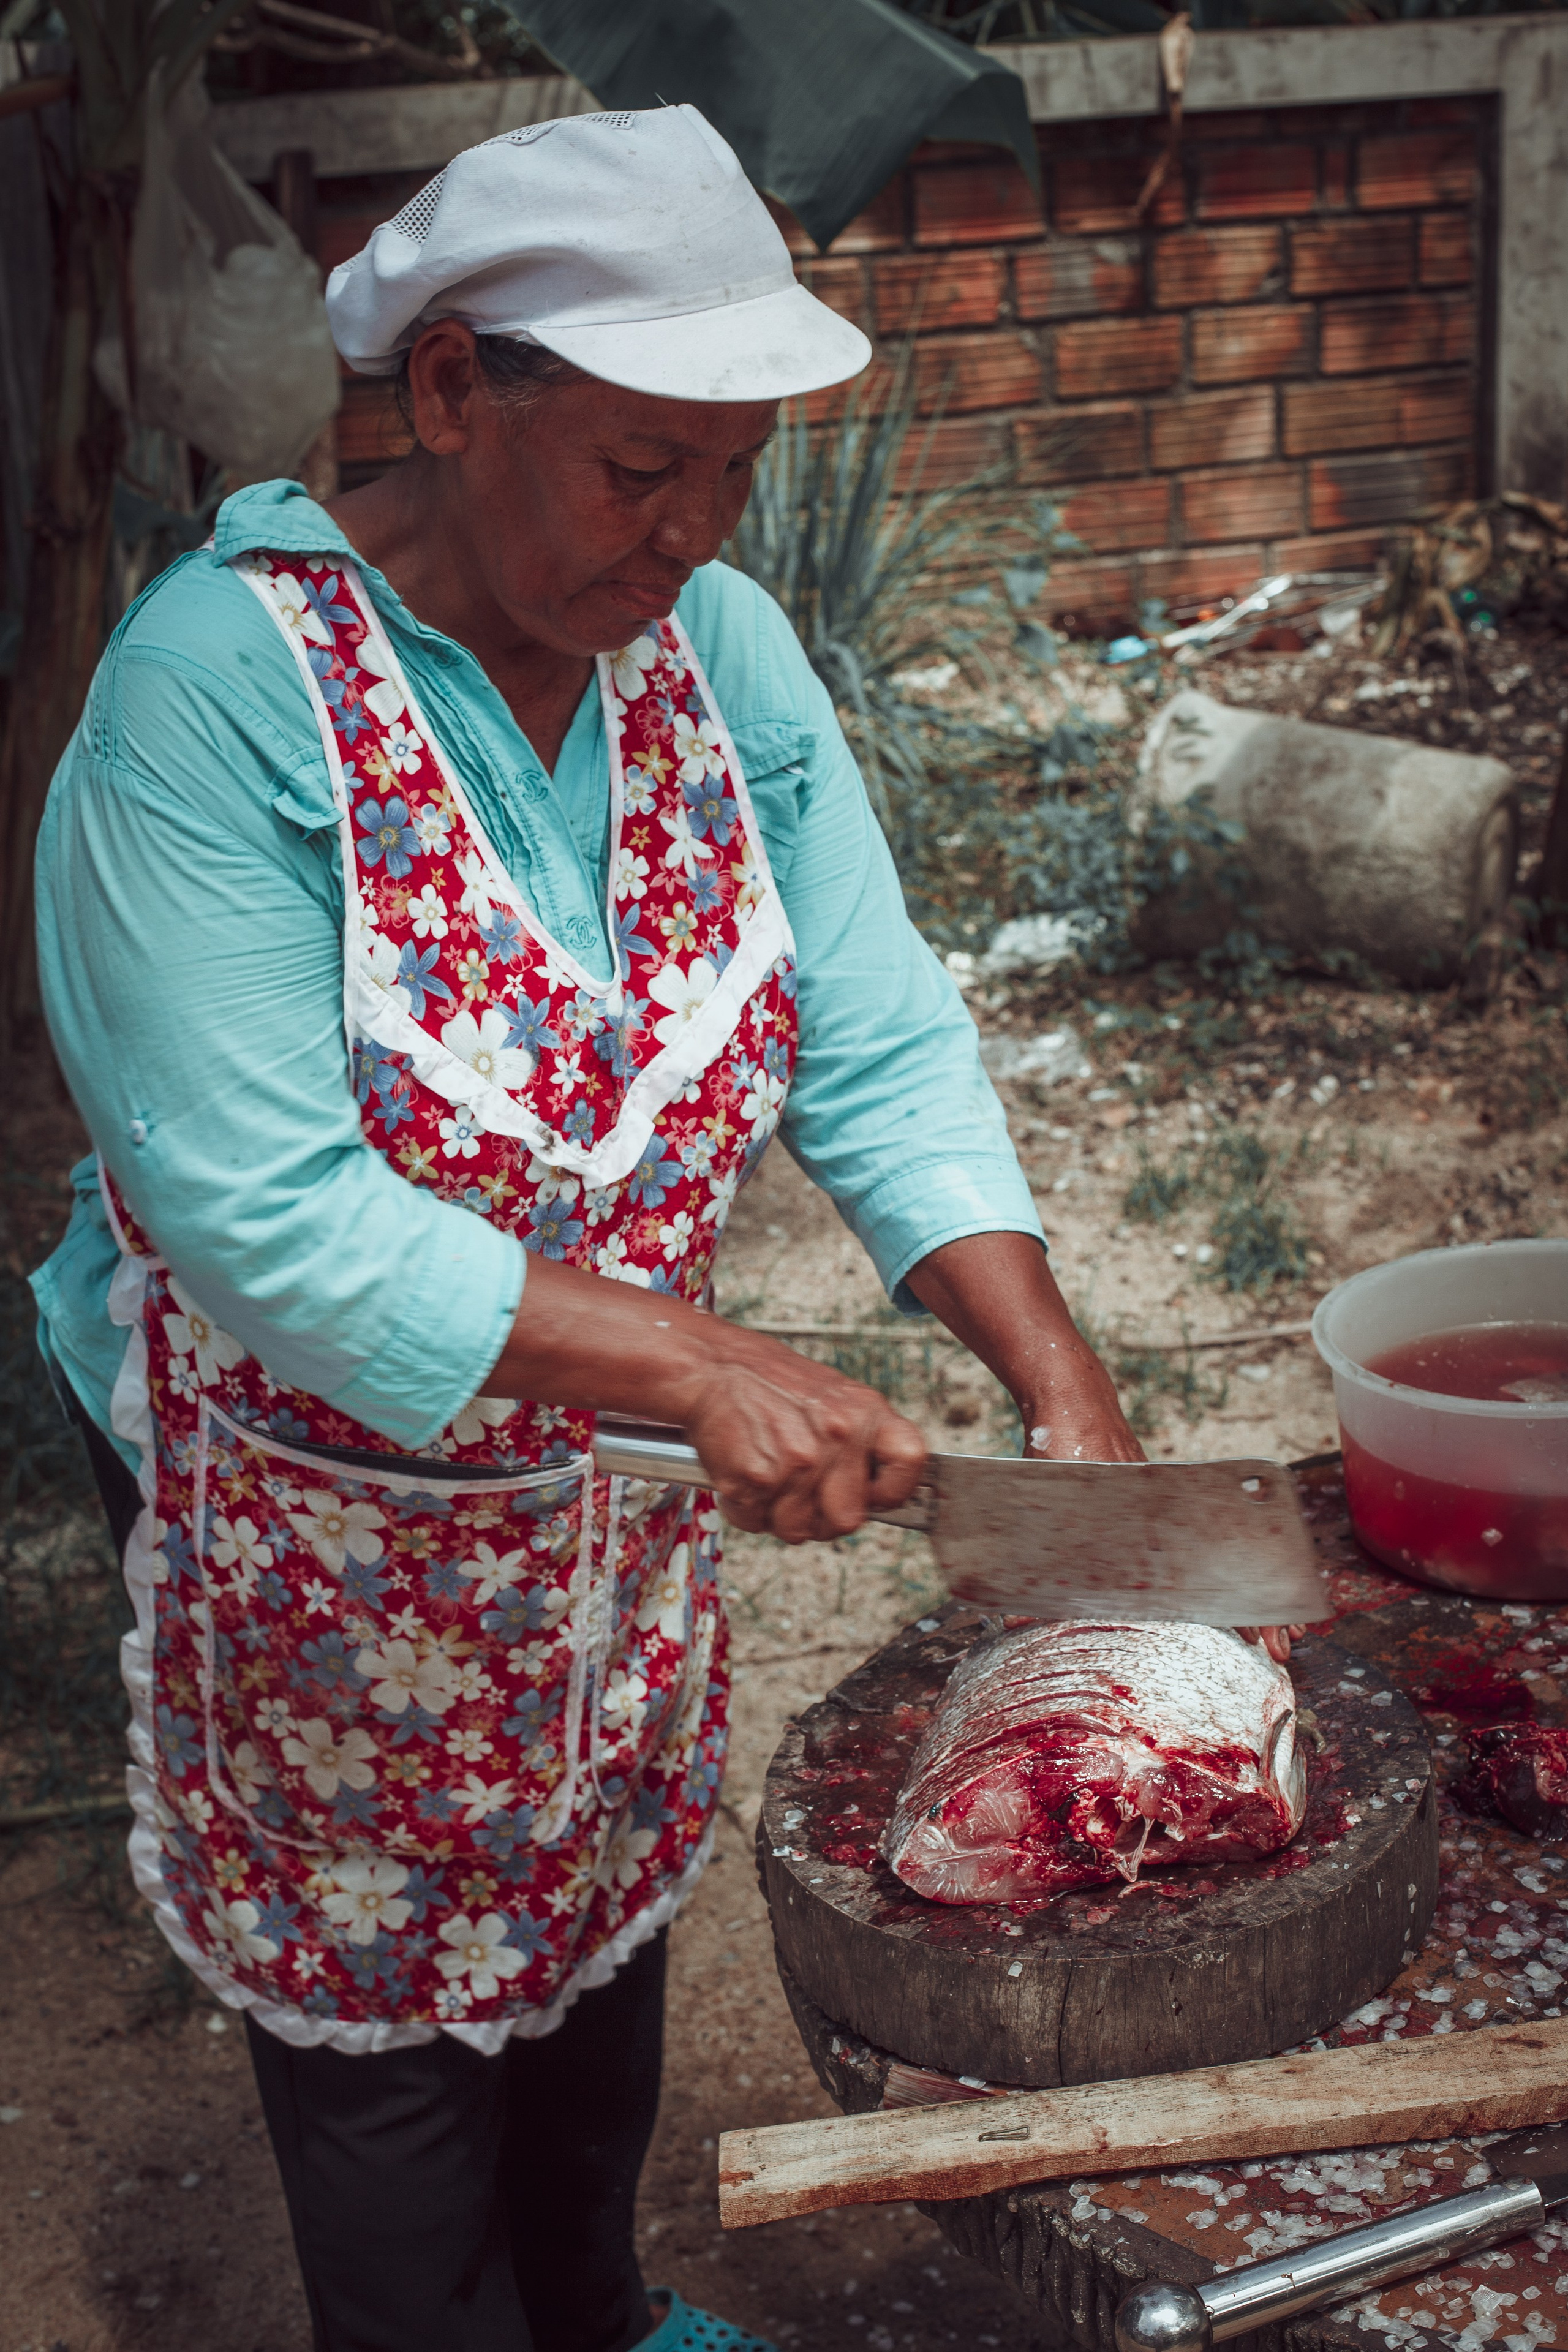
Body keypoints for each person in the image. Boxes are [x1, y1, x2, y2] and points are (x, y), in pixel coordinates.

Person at [30, 103, 1163, 2352]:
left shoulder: (716, 657)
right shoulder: (217, 701)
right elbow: (261, 1216)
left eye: (733, 475)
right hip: (314, 1507)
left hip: (613, 1470)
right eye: (645, 467)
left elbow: (870, 1026)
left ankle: (603, 2312)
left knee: (597, 1901)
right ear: (454, 391)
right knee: (393, 2020)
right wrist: (711, 1368)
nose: (693, 536)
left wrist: (1055, 1378)